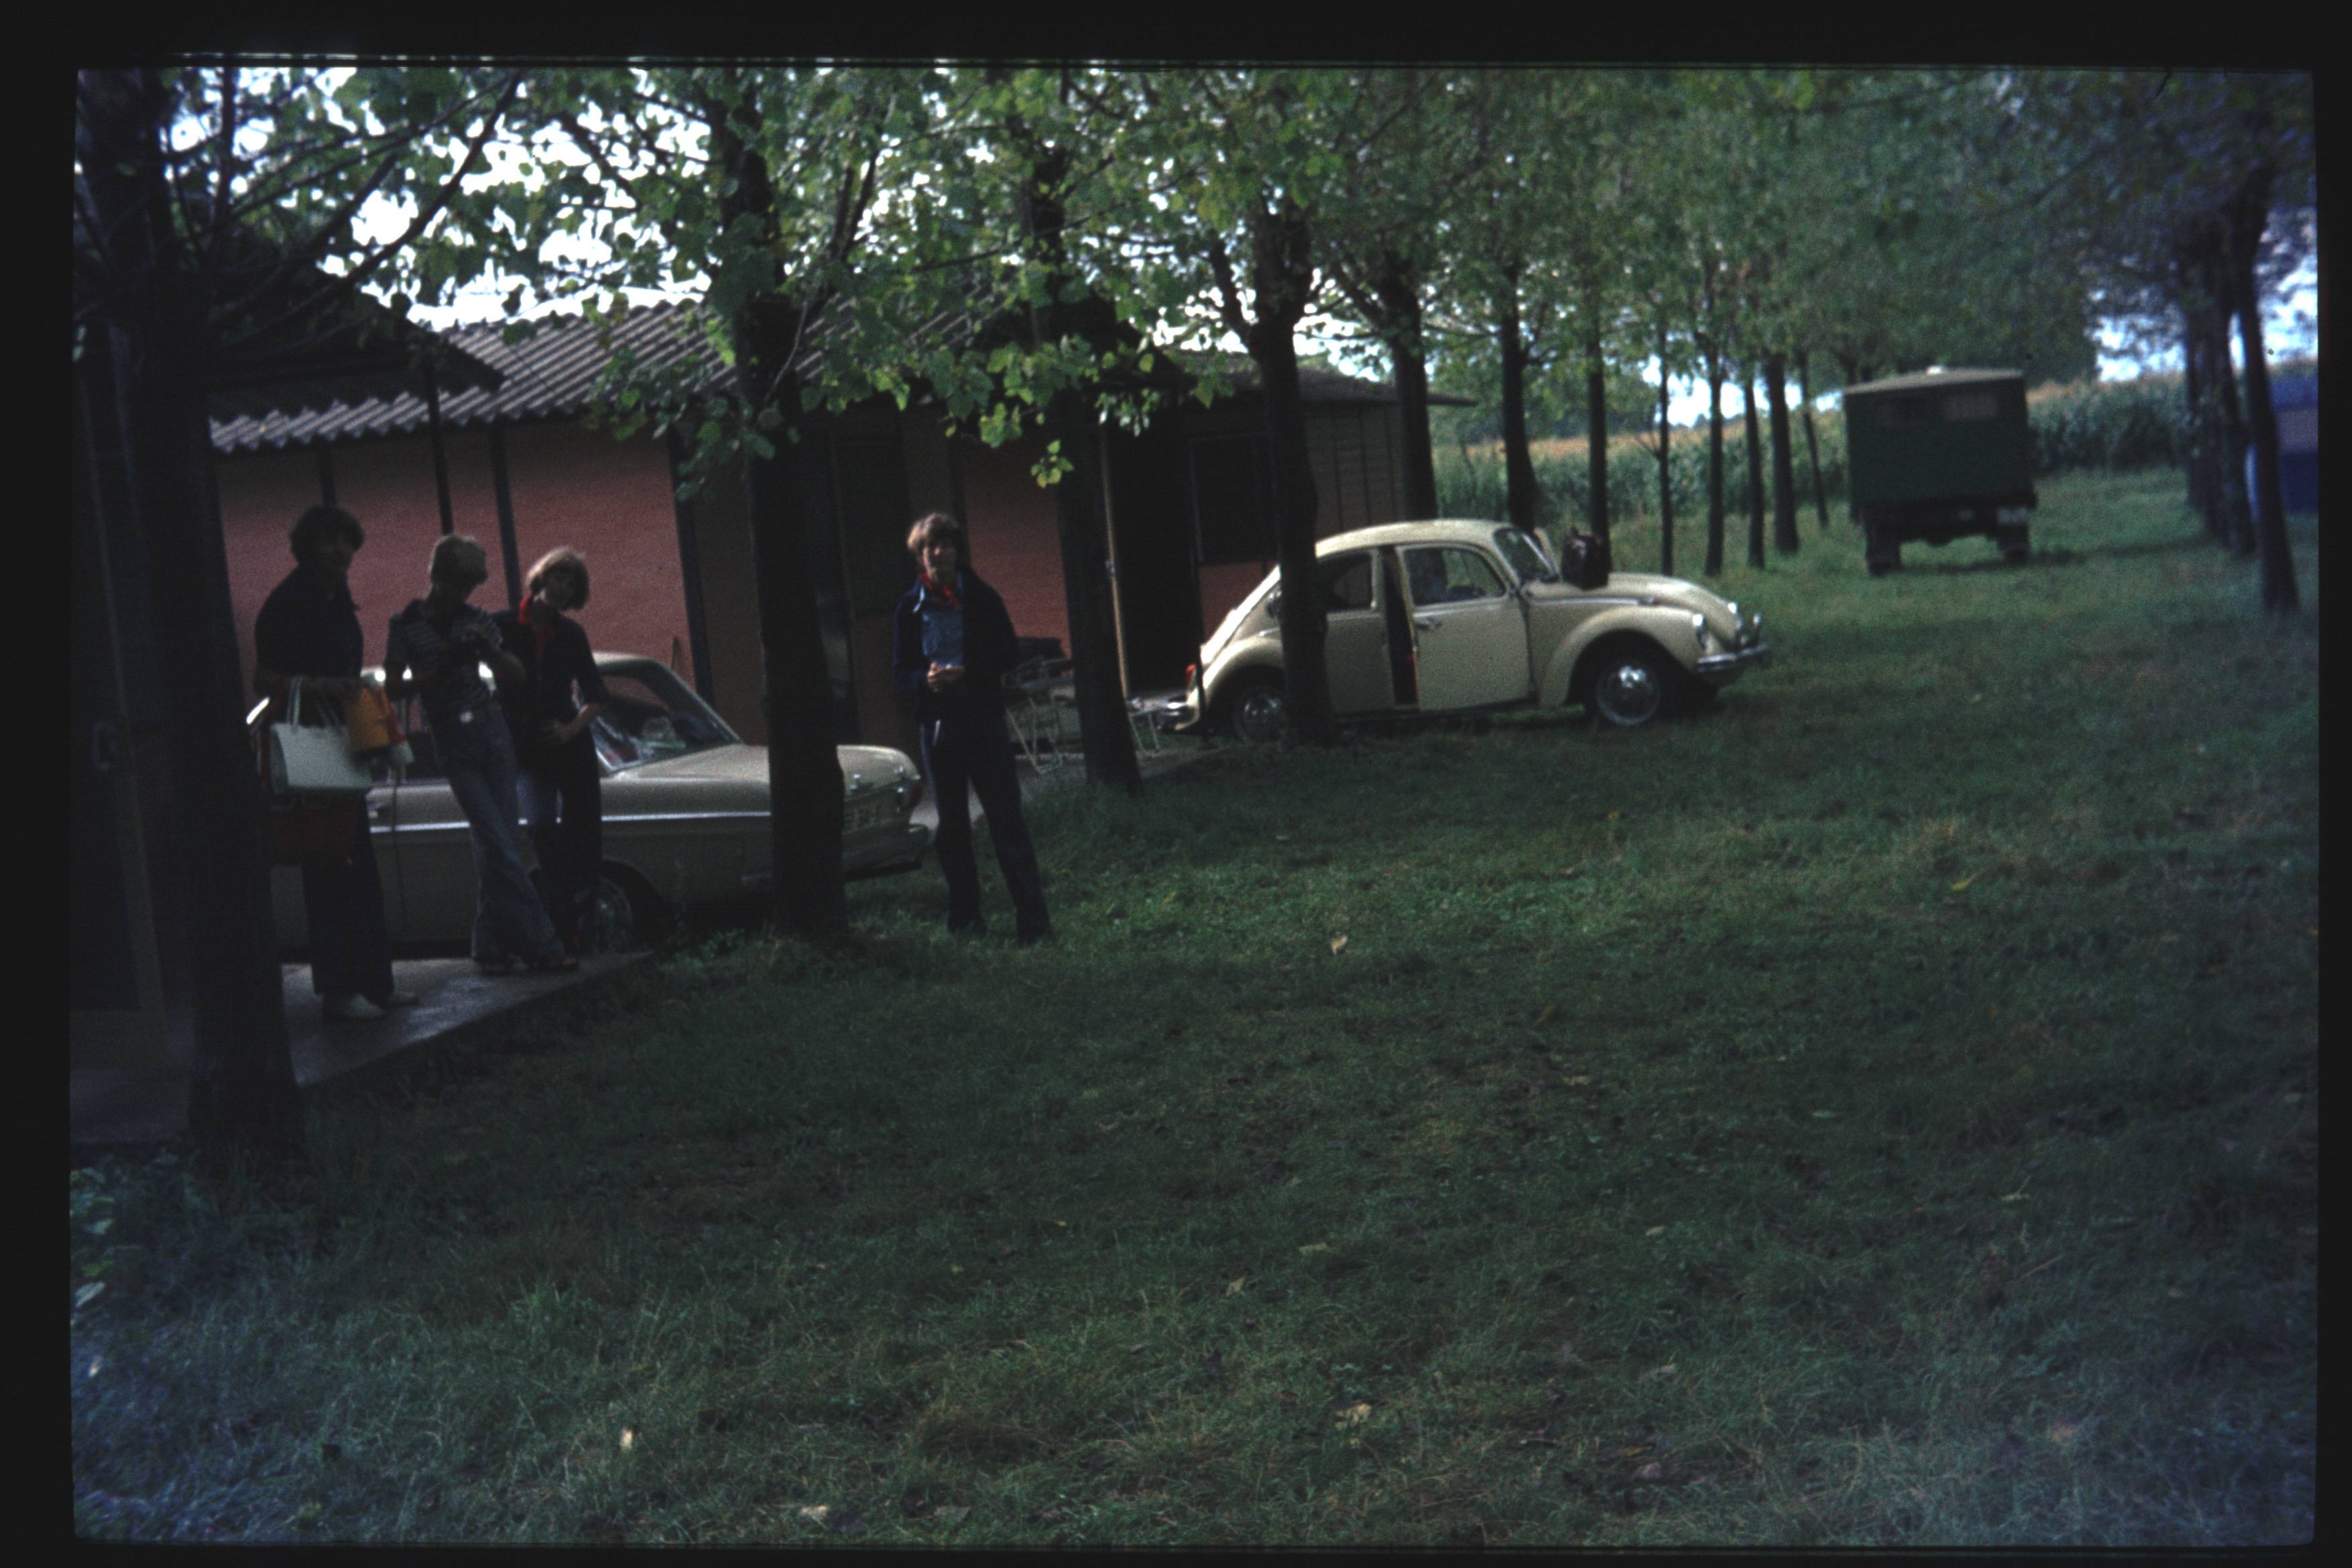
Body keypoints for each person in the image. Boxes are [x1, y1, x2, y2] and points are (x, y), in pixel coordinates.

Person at [252, 505, 418, 1021]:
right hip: (310, 750)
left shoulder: (338, 598)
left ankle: (375, 984)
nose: (340, 551)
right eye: (329, 541)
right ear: (306, 547)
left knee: (357, 867)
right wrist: (319, 686)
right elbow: (263, 679)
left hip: (343, 744)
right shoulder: (287, 602)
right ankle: (341, 992)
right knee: (328, 867)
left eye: (347, 542)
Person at [384, 534, 575, 974]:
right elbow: (392, 689)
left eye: (470, 585)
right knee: (497, 842)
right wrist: (431, 676)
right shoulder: (404, 622)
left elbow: (518, 674)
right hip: (452, 740)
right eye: (459, 583)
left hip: (492, 730)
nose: (464, 593)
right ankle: (542, 944)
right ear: (438, 575)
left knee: (499, 841)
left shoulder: (476, 618)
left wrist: (488, 651)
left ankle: (488, 945)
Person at [890, 513, 1051, 945]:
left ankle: (1035, 926)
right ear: (920, 557)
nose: (937, 553)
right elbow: (901, 670)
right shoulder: (908, 607)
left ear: (957, 551)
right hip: (938, 729)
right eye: (929, 547)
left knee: (1006, 822)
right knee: (952, 828)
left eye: (944, 545)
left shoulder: (982, 597)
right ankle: (965, 925)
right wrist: (924, 680)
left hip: (984, 723)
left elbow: (1007, 654)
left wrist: (968, 673)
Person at [491, 548, 609, 954]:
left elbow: (596, 694)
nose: (564, 589)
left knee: (584, 837)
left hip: (571, 745)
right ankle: (557, 928)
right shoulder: (502, 625)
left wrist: (570, 730)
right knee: (541, 827)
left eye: (572, 585)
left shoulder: (572, 634)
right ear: (542, 577)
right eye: (559, 578)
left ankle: (583, 937)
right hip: (527, 748)